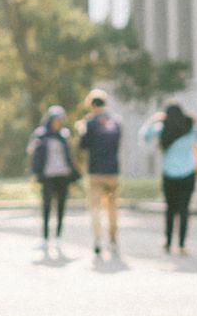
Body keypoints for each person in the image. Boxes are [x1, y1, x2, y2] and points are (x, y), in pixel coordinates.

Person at [140, 102, 197, 255]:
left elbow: (144, 135)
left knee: (170, 210)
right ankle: (181, 245)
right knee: (184, 209)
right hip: (188, 173)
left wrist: (153, 120)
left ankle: (167, 243)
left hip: (169, 174)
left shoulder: (162, 128)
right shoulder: (190, 127)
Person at [77, 89, 124, 258]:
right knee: (112, 207)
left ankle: (97, 239)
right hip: (112, 171)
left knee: (95, 208)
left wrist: (82, 128)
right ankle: (113, 239)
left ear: (91, 105)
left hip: (96, 171)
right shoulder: (116, 122)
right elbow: (118, 143)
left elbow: (82, 145)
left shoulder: (90, 123)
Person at [26, 105, 77, 252]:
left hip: (63, 175)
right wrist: (35, 172)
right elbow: (33, 154)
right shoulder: (41, 134)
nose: (58, 122)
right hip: (47, 176)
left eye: (60, 120)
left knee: (61, 207)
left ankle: (59, 238)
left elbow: (69, 157)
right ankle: (45, 238)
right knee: (47, 207)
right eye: (56, 119)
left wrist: (73, 174)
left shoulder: (64, 134)